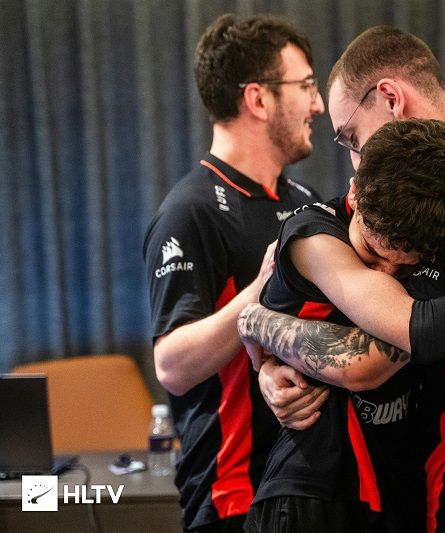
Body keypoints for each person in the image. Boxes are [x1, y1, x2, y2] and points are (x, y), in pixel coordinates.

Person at [243, 25, 445, 532]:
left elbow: (374, 357)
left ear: (391, 98)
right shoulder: (348, 212)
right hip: (344, 480)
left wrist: (261, 329)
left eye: (352, 137)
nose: (356, 161)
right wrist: (260, 337)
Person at [242, 118, 445, 533]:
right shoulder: (311, 235)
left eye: (404, 267)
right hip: (315, 489)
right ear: (354, 192)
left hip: (400, 481)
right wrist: (251, 322)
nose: (385, 276)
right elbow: (360, 366)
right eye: (372, 254)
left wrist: (255, 325)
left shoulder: (433, 231)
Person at [142, 14, 325, 531]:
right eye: (306, 86)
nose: (317, 105)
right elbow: (172, 366)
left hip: (308, 486)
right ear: (258, 99)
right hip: (232, 496)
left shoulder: (305, 199)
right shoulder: (191, 210)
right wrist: (260, 291)